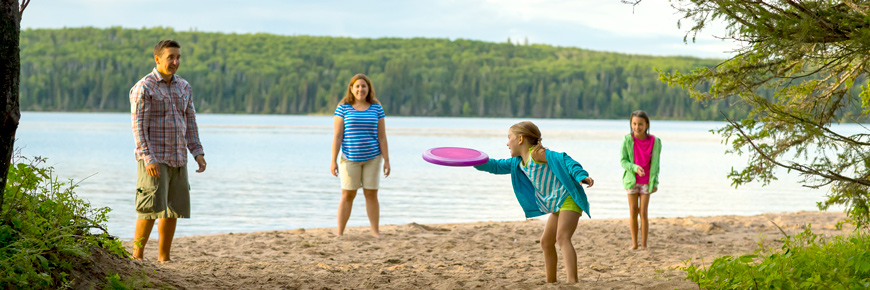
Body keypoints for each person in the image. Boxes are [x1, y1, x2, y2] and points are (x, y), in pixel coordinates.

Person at [474, 121, 593, 283]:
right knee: (546, 241)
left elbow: (564, 160)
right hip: (557, 204)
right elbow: (495, 166)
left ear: (520, 139)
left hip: (568, 198)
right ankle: (551, 282)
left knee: (562, 238)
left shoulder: (537, 154)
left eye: (509, 138)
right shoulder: (517, 162)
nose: (507, 142)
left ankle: (572, 281)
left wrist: (581, 175)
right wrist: (473, 161)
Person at [129, 40, 207, 262]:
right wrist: (148, 158)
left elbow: (190, 122)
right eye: (171, 57)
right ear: (157, 59)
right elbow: (138, 127)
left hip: (178, 157)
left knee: (173, 210)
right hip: (154, 159)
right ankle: (137, 257)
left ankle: (164, 258)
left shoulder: (184, 86)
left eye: (178, 57)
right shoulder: (144, 87)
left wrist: (197, 153)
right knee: (149, 209)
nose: (175, 62)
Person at [330, 74, 391, 238]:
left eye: (364, 86)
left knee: (371, 194)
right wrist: (333, 161)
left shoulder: (376, 107)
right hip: (349, 158)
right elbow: (337, 136)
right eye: (357, 86)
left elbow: (382, 137)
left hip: (373, 158)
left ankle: (375, 232)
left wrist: (387, 160)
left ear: (368, 88)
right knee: (347, 194)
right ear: (351, 89)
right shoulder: (343, 107)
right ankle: (340, 233)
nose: (360, 89)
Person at [620, 110, 662, 250]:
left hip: (646, 182)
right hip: (631, 180)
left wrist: (655, 182)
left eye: (640, 124)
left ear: (647, 125)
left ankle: (644, 244)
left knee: (643, 212)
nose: (637, 127)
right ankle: (634, 244)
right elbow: (623, 161)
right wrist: (634, 167)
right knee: (633, 211)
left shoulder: (654, 141)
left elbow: (656, 163)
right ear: (631, 124)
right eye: (634, 124)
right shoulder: (627, 140)